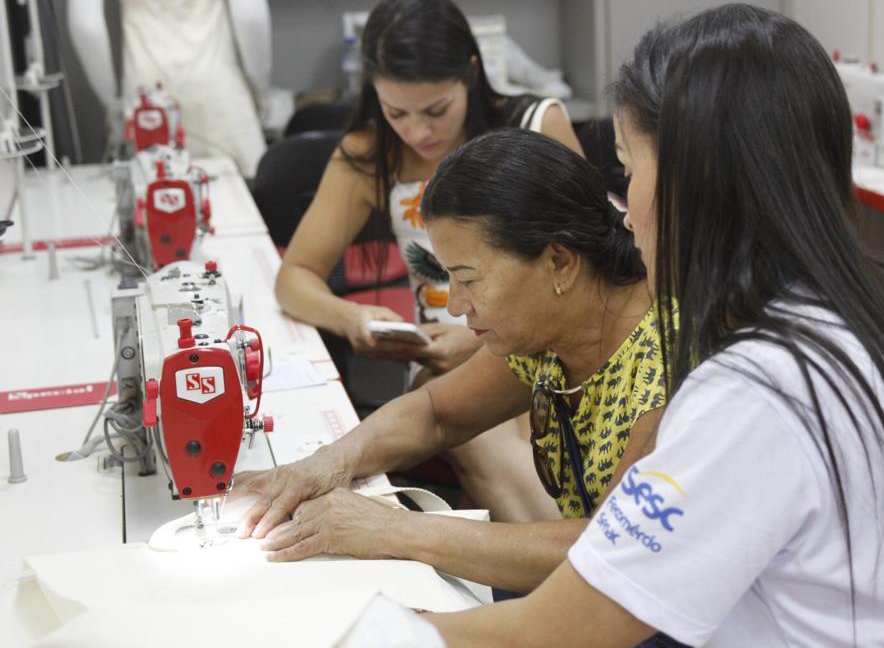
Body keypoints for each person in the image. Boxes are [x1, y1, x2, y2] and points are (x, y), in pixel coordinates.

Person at [422, 5, 884, 647]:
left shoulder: (755, 388)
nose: (625, 214)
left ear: (694, 184)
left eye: (629, 172)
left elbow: (559, 630)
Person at [233, 129, 665, 594]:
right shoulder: (551, 335)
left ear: (559, 261)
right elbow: (437, 414)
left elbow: (611, 549)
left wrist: (394, 530)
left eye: (469, 280)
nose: (456, 305)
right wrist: (327, 462)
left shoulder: (666, 362)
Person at [275, 0, 583, 523]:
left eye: (437, 110)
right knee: (479, 428)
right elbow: (294, 276)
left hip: (544, 344)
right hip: (443, 360)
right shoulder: (369, 153)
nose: (418, 131)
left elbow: (590, 266)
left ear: (471, 73)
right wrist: (351, 319)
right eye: (396, 112)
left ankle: (568, 555)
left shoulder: (536, 125)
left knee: (526, 413)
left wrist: (480, 340)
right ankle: (563, 555)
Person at [66, 0, 277, 176]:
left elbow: (86, 25)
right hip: (215, 81)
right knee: (240, 190)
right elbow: (250, 15)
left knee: (155, 188)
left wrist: (112, 103)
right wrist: (260, 87)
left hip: (146, 88)